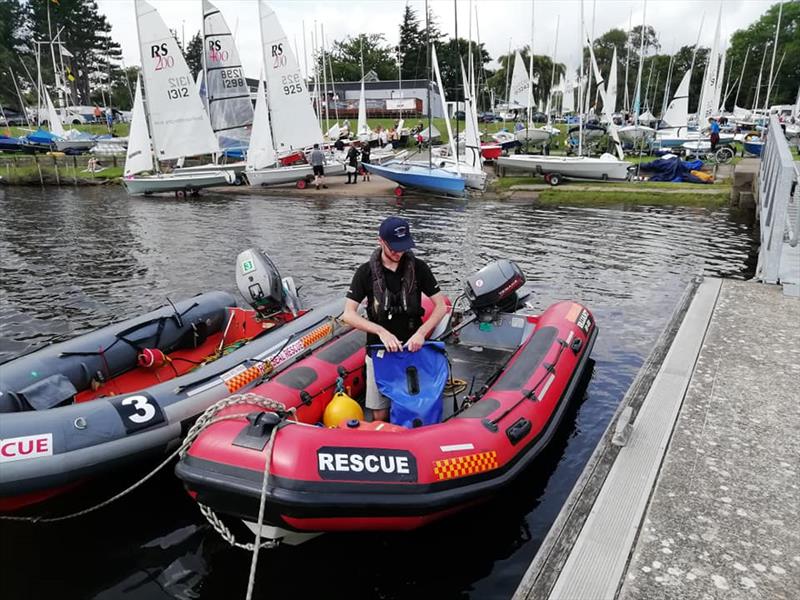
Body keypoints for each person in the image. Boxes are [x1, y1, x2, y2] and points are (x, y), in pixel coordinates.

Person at [342, 217, 448, 422]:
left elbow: (441, 306)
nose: (398, 253)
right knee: (379, 409)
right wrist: (381, 332)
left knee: (415, 402)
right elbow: (348, 314)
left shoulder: (419, 268)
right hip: (379, 351)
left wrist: (421, 333)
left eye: (403, 247)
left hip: (413, 348)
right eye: (393, 248)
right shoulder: (365, 272)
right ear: (380, 241)